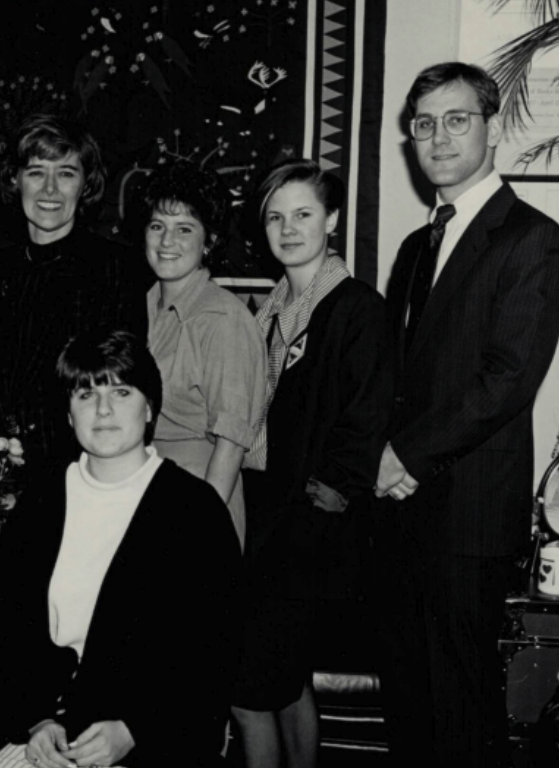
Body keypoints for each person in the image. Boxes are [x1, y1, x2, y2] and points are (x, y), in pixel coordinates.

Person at [373, 62, 559, 767]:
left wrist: (405, 458)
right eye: (424, 125)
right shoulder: (417, 248)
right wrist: (377, 463)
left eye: (457, 120)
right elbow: (394, 379)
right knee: (410, 708)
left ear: (490, 127)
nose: (439, 137)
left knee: (461, 712)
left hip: (468, 516)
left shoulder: (530, 238)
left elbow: (508, 379)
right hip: (400, 514)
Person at [0, 329, 241, 768]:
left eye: (121, 391)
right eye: (86, 394)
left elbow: (214, 658)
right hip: (45, 737)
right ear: (67, 412)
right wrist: (36, 723)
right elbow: (8, 635)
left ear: (150, 407)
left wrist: (135, 729)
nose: (103, 410)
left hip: (157, 741)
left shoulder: (194, 510)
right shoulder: (41, 503)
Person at [229, 159, 391, 768]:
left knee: (251, 689)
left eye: (302, 214)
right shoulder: (269, 311)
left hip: (308, 533)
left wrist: (333, 493)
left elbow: (367, 411)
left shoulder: (354, 308)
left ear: (331, 219)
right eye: (276, 217)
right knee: (284, 681)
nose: (288, 228)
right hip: (266, 519)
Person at [0, 113, 148, 498]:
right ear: (14, 179)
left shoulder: (116, 268)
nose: (50, 189)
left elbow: (121, 387)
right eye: (37, 172)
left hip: (79, 476)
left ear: (85, 185)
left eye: (66, 173)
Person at [137, 161, 266, 545]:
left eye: (184, 229)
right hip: (142, 495)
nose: (166, 241)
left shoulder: (224, 318)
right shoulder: (138, 308)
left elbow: (231, 445)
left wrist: (199, 531)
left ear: (208, 241)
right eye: (157, 226)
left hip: (200, 504)